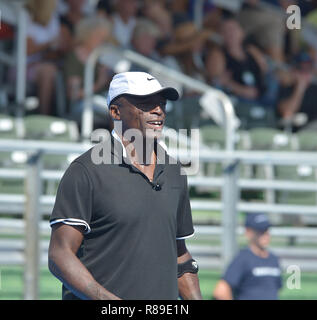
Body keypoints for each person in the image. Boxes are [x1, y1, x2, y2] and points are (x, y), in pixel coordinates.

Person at [48, 71, 202, 300]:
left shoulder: (174, 172)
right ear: (115, 111)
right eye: (146, 103)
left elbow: (179, 254)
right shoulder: (85, 171)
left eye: (161, 103)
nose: (158, 110)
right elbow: (60, 255)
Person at [213, 213, 282, 300]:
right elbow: (221, 291)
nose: (266, 234)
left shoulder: (273, 259)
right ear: (248, 232)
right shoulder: (243, 258)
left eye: (267, 230)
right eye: (261, 231)